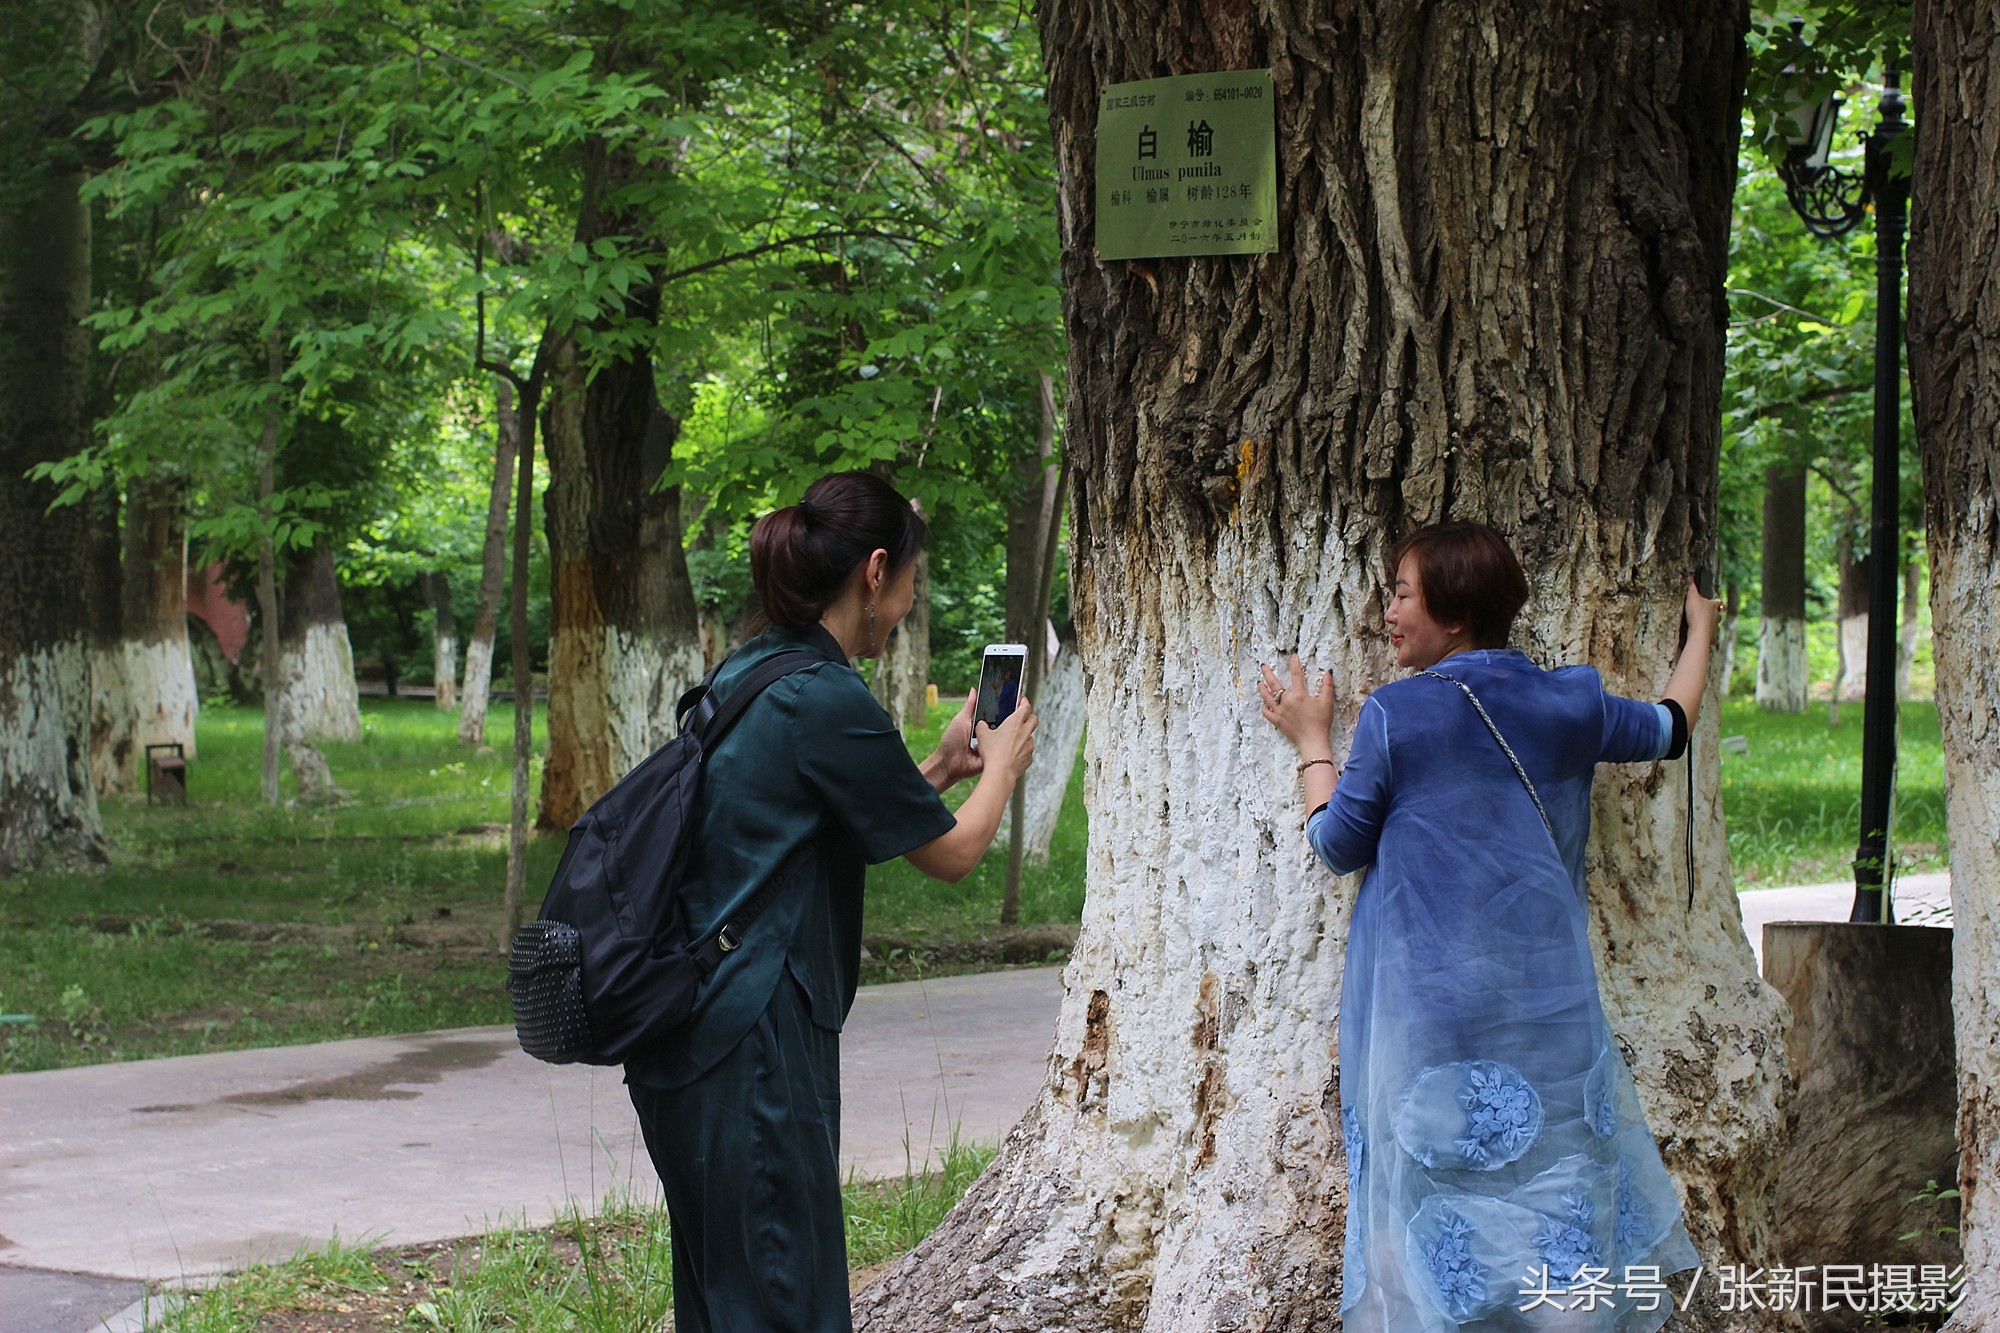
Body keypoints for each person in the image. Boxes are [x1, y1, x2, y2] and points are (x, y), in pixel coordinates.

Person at [1258, 522, 1719, 1333]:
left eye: (1403, 594)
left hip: (1428, 1018)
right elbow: (1673, 726)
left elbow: (1335, 843)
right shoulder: (1570, 702)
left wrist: (1312, 738)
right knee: (1554, 1196)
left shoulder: (1399, 716)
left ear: (1456, 612)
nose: (1388, 612)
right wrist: (1704, 626)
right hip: (1552, 1016)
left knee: (1439, 1210)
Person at [623, 471, 1038, 1333]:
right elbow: (956, 854)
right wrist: (1001, 766)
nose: (912, 602)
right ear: (876, 571)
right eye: (913, 580)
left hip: (689, 1042)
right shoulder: (827, 695)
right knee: (788, 1306)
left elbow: (809, 826)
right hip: (755, 1052)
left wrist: (939, 768)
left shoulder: (754, 669)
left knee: (724, 1306)